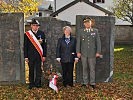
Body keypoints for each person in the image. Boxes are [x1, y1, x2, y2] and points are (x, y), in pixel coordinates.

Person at [76, 17, 101, 89]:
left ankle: (92, 83)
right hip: (83, 53)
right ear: (84, 24)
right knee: (84, 68)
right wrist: (78, 52)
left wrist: (98, 52)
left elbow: (98, 42)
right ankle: (85, 82)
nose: (87, 23)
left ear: (91, 23)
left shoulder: (95, 31)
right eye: (86, 22)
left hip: (92, 53)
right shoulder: (81, 31)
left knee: (92, 69)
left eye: (88, 22)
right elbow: (78, 42)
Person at [24, 19, 47, 89]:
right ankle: (31, 83)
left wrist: (44, 55)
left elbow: (44, 45)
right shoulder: (27, 34)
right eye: (34, 25)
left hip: (39, 55)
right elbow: (25, 46)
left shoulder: (42, 33)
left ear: (38, 27)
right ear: (31, 26)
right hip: (30, 55)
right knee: (31, 69)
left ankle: (38, 83)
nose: (35, 27)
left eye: (37, 25)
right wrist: (26, 56)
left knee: (38, 70)